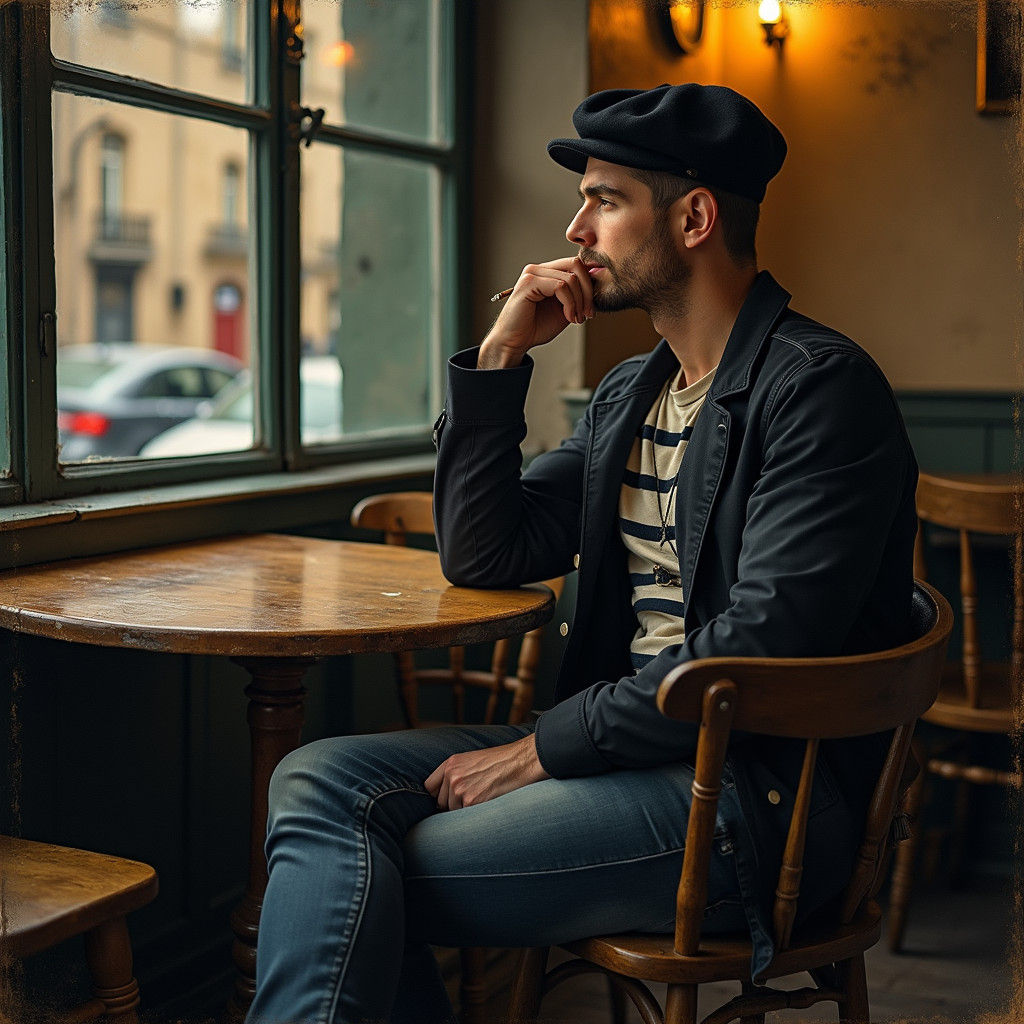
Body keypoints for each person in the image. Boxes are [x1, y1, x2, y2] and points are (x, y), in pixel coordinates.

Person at [247, 83, 918, 1024]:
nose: (575, 230)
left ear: (693, 217)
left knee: (357, 873)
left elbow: (765, 644)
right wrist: (497, 361)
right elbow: (484, 553)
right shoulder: (628, 398)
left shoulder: (820, 391)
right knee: (316, 781)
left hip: (754, 796)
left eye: (604, 199)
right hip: (623, 759)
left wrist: (541, 752)